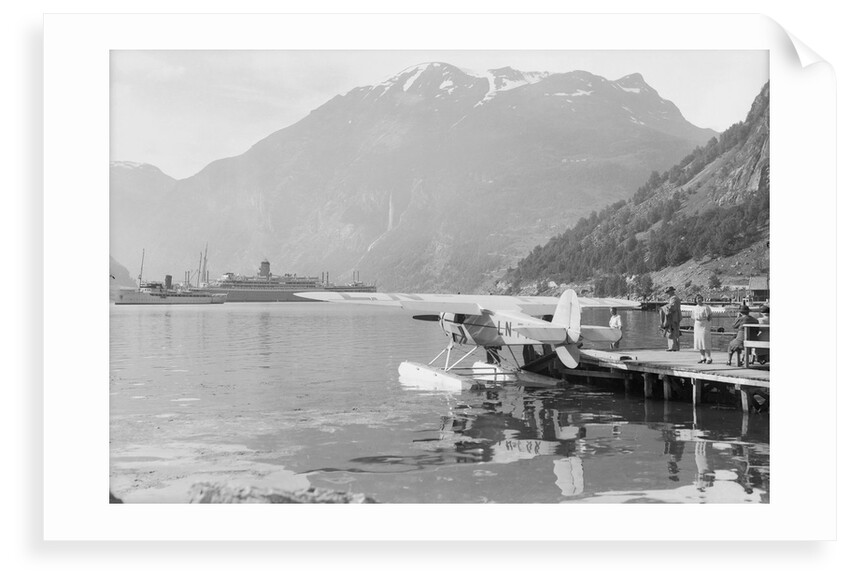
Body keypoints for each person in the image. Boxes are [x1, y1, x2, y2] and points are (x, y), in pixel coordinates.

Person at [659, 286, 681, 351]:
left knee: (672, 331)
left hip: (673, 317)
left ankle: (673, 347)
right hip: (674, 317)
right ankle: (674, 347)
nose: (667, 294)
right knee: (673, 331)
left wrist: (664, 308)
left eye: (668, 292)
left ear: (671, 291)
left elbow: (672, 308)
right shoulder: (673, 298)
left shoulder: (673, 298)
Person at [692, 294, 713, 364]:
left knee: (705, 340)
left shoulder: (706, 307)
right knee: (699, 341)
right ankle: (702, 357)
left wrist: (706, 322)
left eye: (700, 298)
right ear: (695, 300)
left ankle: (709, 357)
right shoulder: (695, 308)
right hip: (697, 325)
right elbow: (693, 316)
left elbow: (710, 316)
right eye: (697, 299)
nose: (699, 300)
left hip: (704, 325)